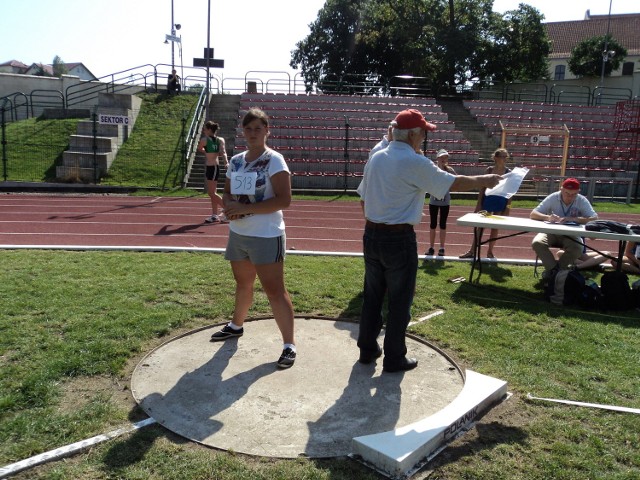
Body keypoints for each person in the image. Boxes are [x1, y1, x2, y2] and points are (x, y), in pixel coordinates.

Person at [356, 109, 501, 373]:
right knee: (400, 299)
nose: (424, 137)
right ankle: (394, 356)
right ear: (412, 134)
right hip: (398, 238)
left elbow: (364, 195)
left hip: (372, 234)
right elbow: (451, 183)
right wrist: (486, 179)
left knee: (373, 296)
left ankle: (367, 349)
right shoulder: (413, 162)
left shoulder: (377, 157)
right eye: (422, 132)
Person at [209, 108, 296, 369]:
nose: (253, 133)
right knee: (243, 284)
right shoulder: (236, 160)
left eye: (258, 128)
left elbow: (284, 200)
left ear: (267, 130)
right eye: (248, 128)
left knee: (275, 291)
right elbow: (226, 193)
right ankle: (236, 325)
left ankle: (289, 345)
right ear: (242, 131)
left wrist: (244, 209)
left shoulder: (274, 160)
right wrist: (229, 207)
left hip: (266, 234)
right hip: (239, 234)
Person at [530, 177, 598, 278]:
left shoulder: (582, 200)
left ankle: (554, 273)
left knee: (578, 248)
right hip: (551, 232)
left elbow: (594, 218)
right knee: (537, 243)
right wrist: (548, 217)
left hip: (571, 234)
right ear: (561, 189)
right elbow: (533, 214)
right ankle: (555, 271)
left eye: (574, 194)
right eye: (567, 193)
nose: (570, 197)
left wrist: (575, 219)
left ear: (578, 192)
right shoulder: (553, 197)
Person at [459, 148, 512, 259]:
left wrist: (508, 207)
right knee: (480, 226)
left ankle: (490, 252)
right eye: (502, 156)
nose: (505, 159)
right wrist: (479, 204)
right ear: (496, 158)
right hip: (487, 200)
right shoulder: (489, 170)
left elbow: (510, 192)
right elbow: (482, 188)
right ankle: (472, 251)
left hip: (501, 201)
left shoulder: (509, 172)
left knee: (495, 227)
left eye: (506, 156)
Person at [426, 149, 456, 256]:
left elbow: (455, 183)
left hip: (445, 201)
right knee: (433, 224)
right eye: (442, 157)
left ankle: (442, 248)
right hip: (433, 200)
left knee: (443, 224)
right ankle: (431, 247)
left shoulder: (450, 170)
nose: (444, 159)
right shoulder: (432, 170)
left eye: (446, 157)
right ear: (437, 158)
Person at [198, 121, 228, 223]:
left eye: (205, 129)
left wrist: (226, 163)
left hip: (214, 167)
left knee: (211, 193)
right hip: (209, 167)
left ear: (210, 130)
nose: (203, 130)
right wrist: (208, 151)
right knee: (212, 193)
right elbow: (200, 149)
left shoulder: (218, 140)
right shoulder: (205, 140)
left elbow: (223, 152)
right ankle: (215, 215)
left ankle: (228, 210)